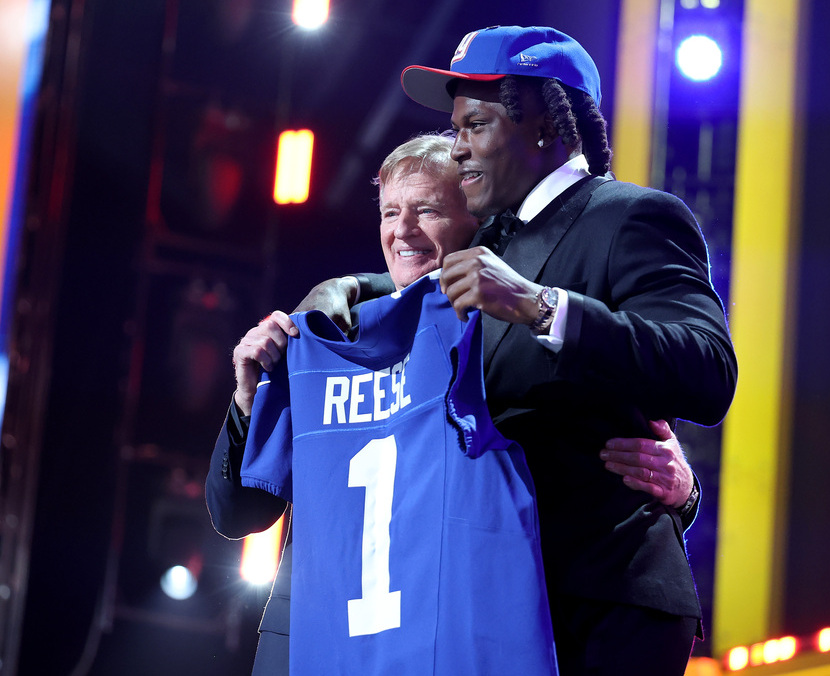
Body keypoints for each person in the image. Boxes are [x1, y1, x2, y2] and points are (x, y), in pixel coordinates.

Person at [207, 132, 702, 674]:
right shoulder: (330, 335)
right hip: (318, 631)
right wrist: (247, 401)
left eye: (428, 210)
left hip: (446, 628)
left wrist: (681, 490)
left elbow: (579, 434)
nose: (402, 230)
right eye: (390, 211)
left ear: (480, 226)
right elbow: (238, 513)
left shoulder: (509, 328)